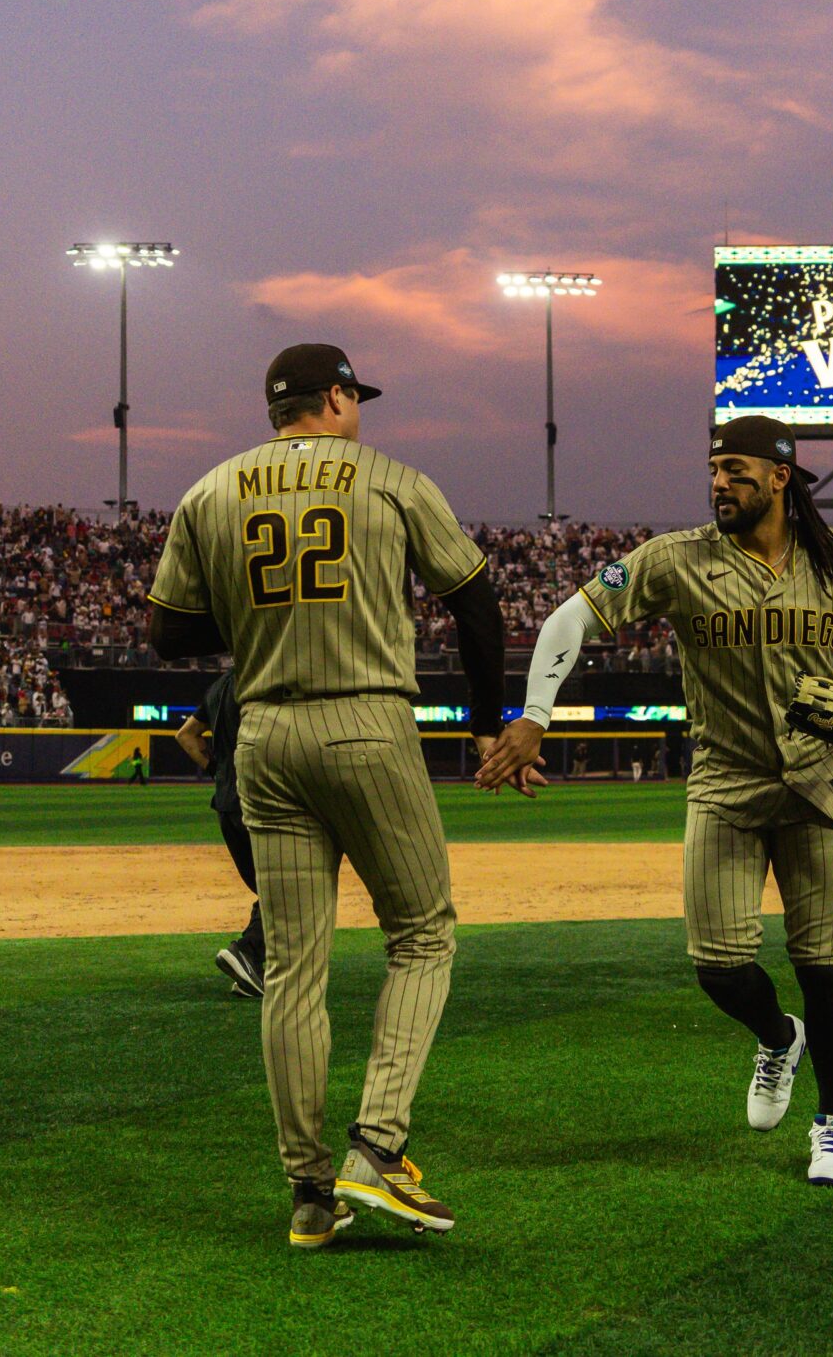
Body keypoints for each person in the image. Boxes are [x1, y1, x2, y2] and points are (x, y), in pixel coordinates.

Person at [476, 415, 833, 1187]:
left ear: (781, 476)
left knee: (827, 966)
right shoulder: (676, 558)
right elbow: (571, 615)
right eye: (715, 469)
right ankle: (778, 1037)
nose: (720, 481)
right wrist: (535, 714)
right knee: (719, 968)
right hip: (726, 783)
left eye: (738, 469)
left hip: (819, 782)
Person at [147, 343, 509, 1251]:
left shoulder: (212, 488)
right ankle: (376, 1147)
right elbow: (477, 603)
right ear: (338, 396)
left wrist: (256, 611)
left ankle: (309, 1193)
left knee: (295, 968)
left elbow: (167, 633)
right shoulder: (389, 479)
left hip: (264, 733)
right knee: (423, 932)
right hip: (366, 722)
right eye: (356, 396)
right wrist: (485, 721)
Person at [173, 672, 267, 999]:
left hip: (226, 804)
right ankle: (248, 951)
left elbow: (185, 736)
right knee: (289, 888)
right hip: (259, 800)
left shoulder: (217, 687)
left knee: (272, 889)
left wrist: (216, 769)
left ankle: (255, 972)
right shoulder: (262, 676)